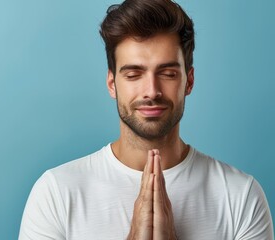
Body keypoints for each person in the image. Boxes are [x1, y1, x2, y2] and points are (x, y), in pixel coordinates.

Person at [19, 0, 274, 239]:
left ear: (190, 81)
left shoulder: (242, 196)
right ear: (112, 83)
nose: (152, 90)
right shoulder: (55, 193)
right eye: (133, 74)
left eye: (168, 73)